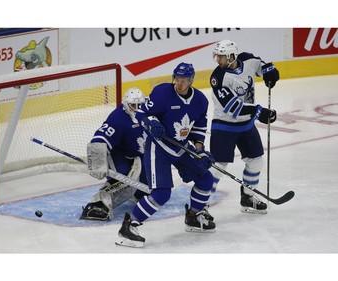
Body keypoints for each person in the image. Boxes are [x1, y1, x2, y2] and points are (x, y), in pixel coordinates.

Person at [115, 62, 216, 248]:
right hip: (159, 147)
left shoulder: (200, 101)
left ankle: (193, 216)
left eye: (184, 80)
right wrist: (152, 122)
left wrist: (200, 150)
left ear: (191, 80)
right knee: (162, 194)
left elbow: (199, 128)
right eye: (177, 79)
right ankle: (129, 227)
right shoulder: (162, 93)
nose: (179, 83)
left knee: (206, 180)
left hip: (182, 147)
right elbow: (142, 113)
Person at [208, 39, 280, 214]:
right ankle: (201, 206)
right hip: (224, 127)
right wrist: (259, 112)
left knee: (256, 161)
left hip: (246, 126)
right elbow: (234, 108)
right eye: (217, 56)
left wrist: (270, 72)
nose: (218, 61)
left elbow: (262, 66)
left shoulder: (247, 59)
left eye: (222, 57)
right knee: (218, 167)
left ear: (232, 56)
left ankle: (248, 197)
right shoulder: (218, 78)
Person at [80, 87, 148, 221]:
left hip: (139, 154)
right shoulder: (118, 118)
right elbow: (101, 137)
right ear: (126, 104)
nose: (136, 108)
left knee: (146, 189)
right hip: (119, 154)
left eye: (139, 105)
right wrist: (98, 160)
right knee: (123, 175)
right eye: (132, 105)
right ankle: (99, 202)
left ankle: (137, 193)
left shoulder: (150, 112)